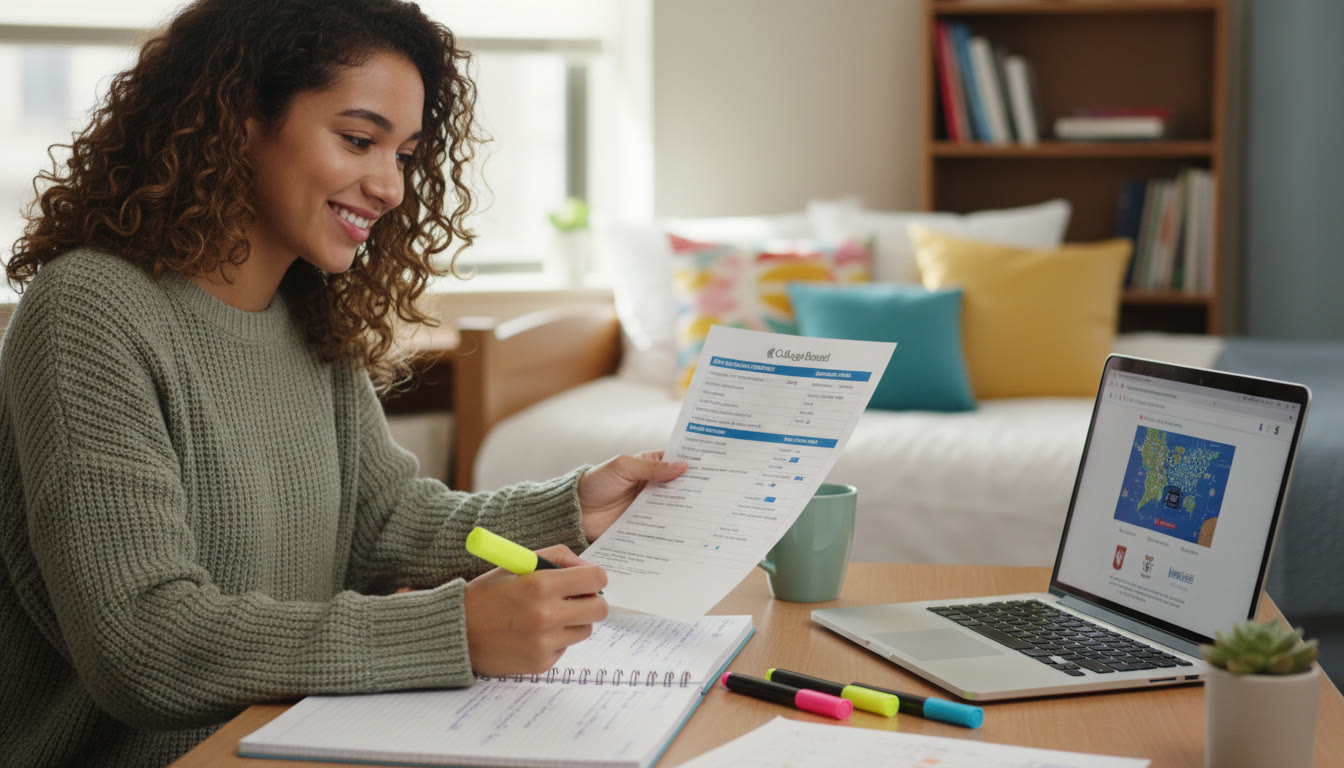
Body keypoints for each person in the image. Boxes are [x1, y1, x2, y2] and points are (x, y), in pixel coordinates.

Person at [0, 1, 684, 765]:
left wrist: (568, 508)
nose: (390, 186)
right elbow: (143, 642)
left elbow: (379, 519)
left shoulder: (307, 313)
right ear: (238, 120)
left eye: (405, 154)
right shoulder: (89, 310)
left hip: (294, 739)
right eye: (359, 140)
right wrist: (452, 630)